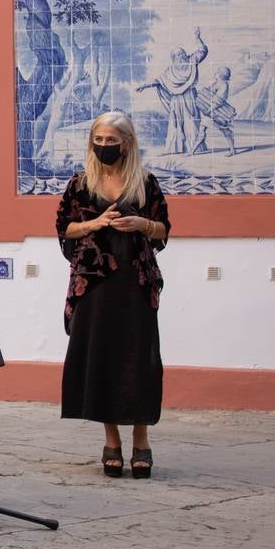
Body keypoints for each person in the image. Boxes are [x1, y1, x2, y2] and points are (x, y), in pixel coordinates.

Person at [55, 110, 170, 479]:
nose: (104, 146)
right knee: (99, 359)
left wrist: (142, 224)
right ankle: (111, 442)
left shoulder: (146, 182)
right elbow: (64, 229)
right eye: (99, 140)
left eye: (111, 141)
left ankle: (141, 441)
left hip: (135, 283)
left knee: (139, 360)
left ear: (127, 143)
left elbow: (164, 230)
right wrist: (95, 222)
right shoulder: (79, 183)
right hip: (94, 283)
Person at [137, 27, 208, 154]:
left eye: (182, 53)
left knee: (192, 122)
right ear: (174, 58)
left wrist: (198, 38)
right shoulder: (170, 71)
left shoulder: (192, 61)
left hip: (190, 97)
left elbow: (203, 51)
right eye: (177, 55)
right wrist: (144, 86)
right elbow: (158, 81)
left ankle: (195, 148)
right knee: (176, 124)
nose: (181, 56)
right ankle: (176, 149)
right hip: (176, 100)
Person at [194, 65, 238, 156]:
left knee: (225, 131)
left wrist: (209, 110)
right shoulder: (218, 83)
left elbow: (219, 101)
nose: (215, 73)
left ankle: (233, 150)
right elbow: (209, 94)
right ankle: (192, 151)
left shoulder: (224, 85)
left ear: (221, 75)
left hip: (218, 112)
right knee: (202, 129)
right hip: (211, 112)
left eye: (217, 72)